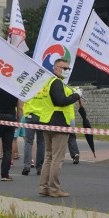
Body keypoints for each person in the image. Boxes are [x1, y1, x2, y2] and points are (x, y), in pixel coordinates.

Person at [37, 58, 81, 197]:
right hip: (58, 122)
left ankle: (44, 187)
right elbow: (60, 101)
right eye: (64, 68)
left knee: (49, 156)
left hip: (47, 120)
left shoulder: (48, 82)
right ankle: (54, 189)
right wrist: (76, 95)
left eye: (68, 68)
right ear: (56, 68)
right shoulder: (56, 82)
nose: (67, 71)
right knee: (57, 158)